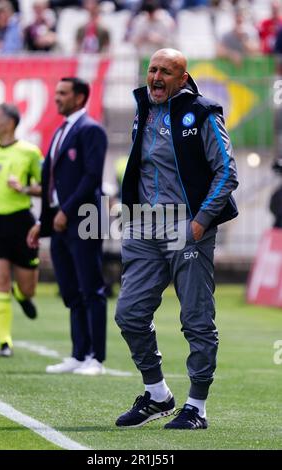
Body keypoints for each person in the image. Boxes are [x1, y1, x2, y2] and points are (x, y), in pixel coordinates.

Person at [115, 48, 239, 429]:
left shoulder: (202, 113)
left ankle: (197, 407)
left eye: (166, 71)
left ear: (183, 78)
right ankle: (157, 394)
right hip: (144, 227)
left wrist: (201, 222)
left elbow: (227, 173)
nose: (156, 77)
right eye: (152, 69)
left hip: (187, 227)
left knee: (196, 320)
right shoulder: (143, 107)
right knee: (129, 314)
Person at [27, 77, 108, 376]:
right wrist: (43, 222)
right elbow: (52, 181)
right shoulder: (61, 130)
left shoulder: (91, 130)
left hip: (86, 216)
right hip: (61, 220)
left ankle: (96, 358)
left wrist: (67, 210)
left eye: (63, 93)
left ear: (80, 97)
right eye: (57, 92)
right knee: (71, 289)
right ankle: (79, 353)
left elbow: (91, 177)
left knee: (92, 287)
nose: (57, 98)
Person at [0, 103, 43, 357]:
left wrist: (24, 188)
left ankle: (21, 294)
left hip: (21, 222)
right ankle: (5, 342)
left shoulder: (29, 152)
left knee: (28, 288)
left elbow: (44, 186)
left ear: (9, 123)